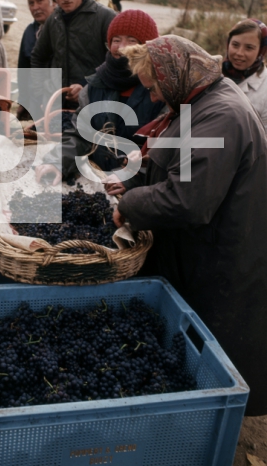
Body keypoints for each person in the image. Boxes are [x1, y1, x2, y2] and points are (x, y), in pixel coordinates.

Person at [113, 35, 267, 416]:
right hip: (202, 245)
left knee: (213, 346)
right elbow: (175, 158)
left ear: (173, 74)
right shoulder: (200, 97)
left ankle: (211, 418)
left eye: (154, 88)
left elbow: (188, 199)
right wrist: (135, 180)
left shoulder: (222, 115)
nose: (151, 98)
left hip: (222, 254)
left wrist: (131, 204)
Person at [35, 10, 165, 185]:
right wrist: (58, 161)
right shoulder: (95, 86)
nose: (121, 47)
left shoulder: (160, 92)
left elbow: (163, 152)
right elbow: (80, 135)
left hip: (139, 190)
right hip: (99, 180)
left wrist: (130, 179)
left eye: (131, 41)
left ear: (146, 47)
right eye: (116, 40)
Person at [31, 0, 116, 113]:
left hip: (95, 106)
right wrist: (41, 95)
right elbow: (38, 57)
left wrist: (88, 86)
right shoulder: (53, 20)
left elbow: (117, 63)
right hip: (57, 107)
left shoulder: (105, 18)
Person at [17, 0, 55, 119]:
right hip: (35, 99)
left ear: (53, 2)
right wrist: (23, 100)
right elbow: (23, 69)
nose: (35, 7)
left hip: (58, 99)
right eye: (31, 3)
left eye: (40, 1)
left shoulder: (63, 30)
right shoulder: (29, 31)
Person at [222, 18, 267, 134]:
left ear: (261, 50)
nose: (239, 53)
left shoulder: (264, 90)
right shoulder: (211, 73)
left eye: (249, 48)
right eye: (235, 45)